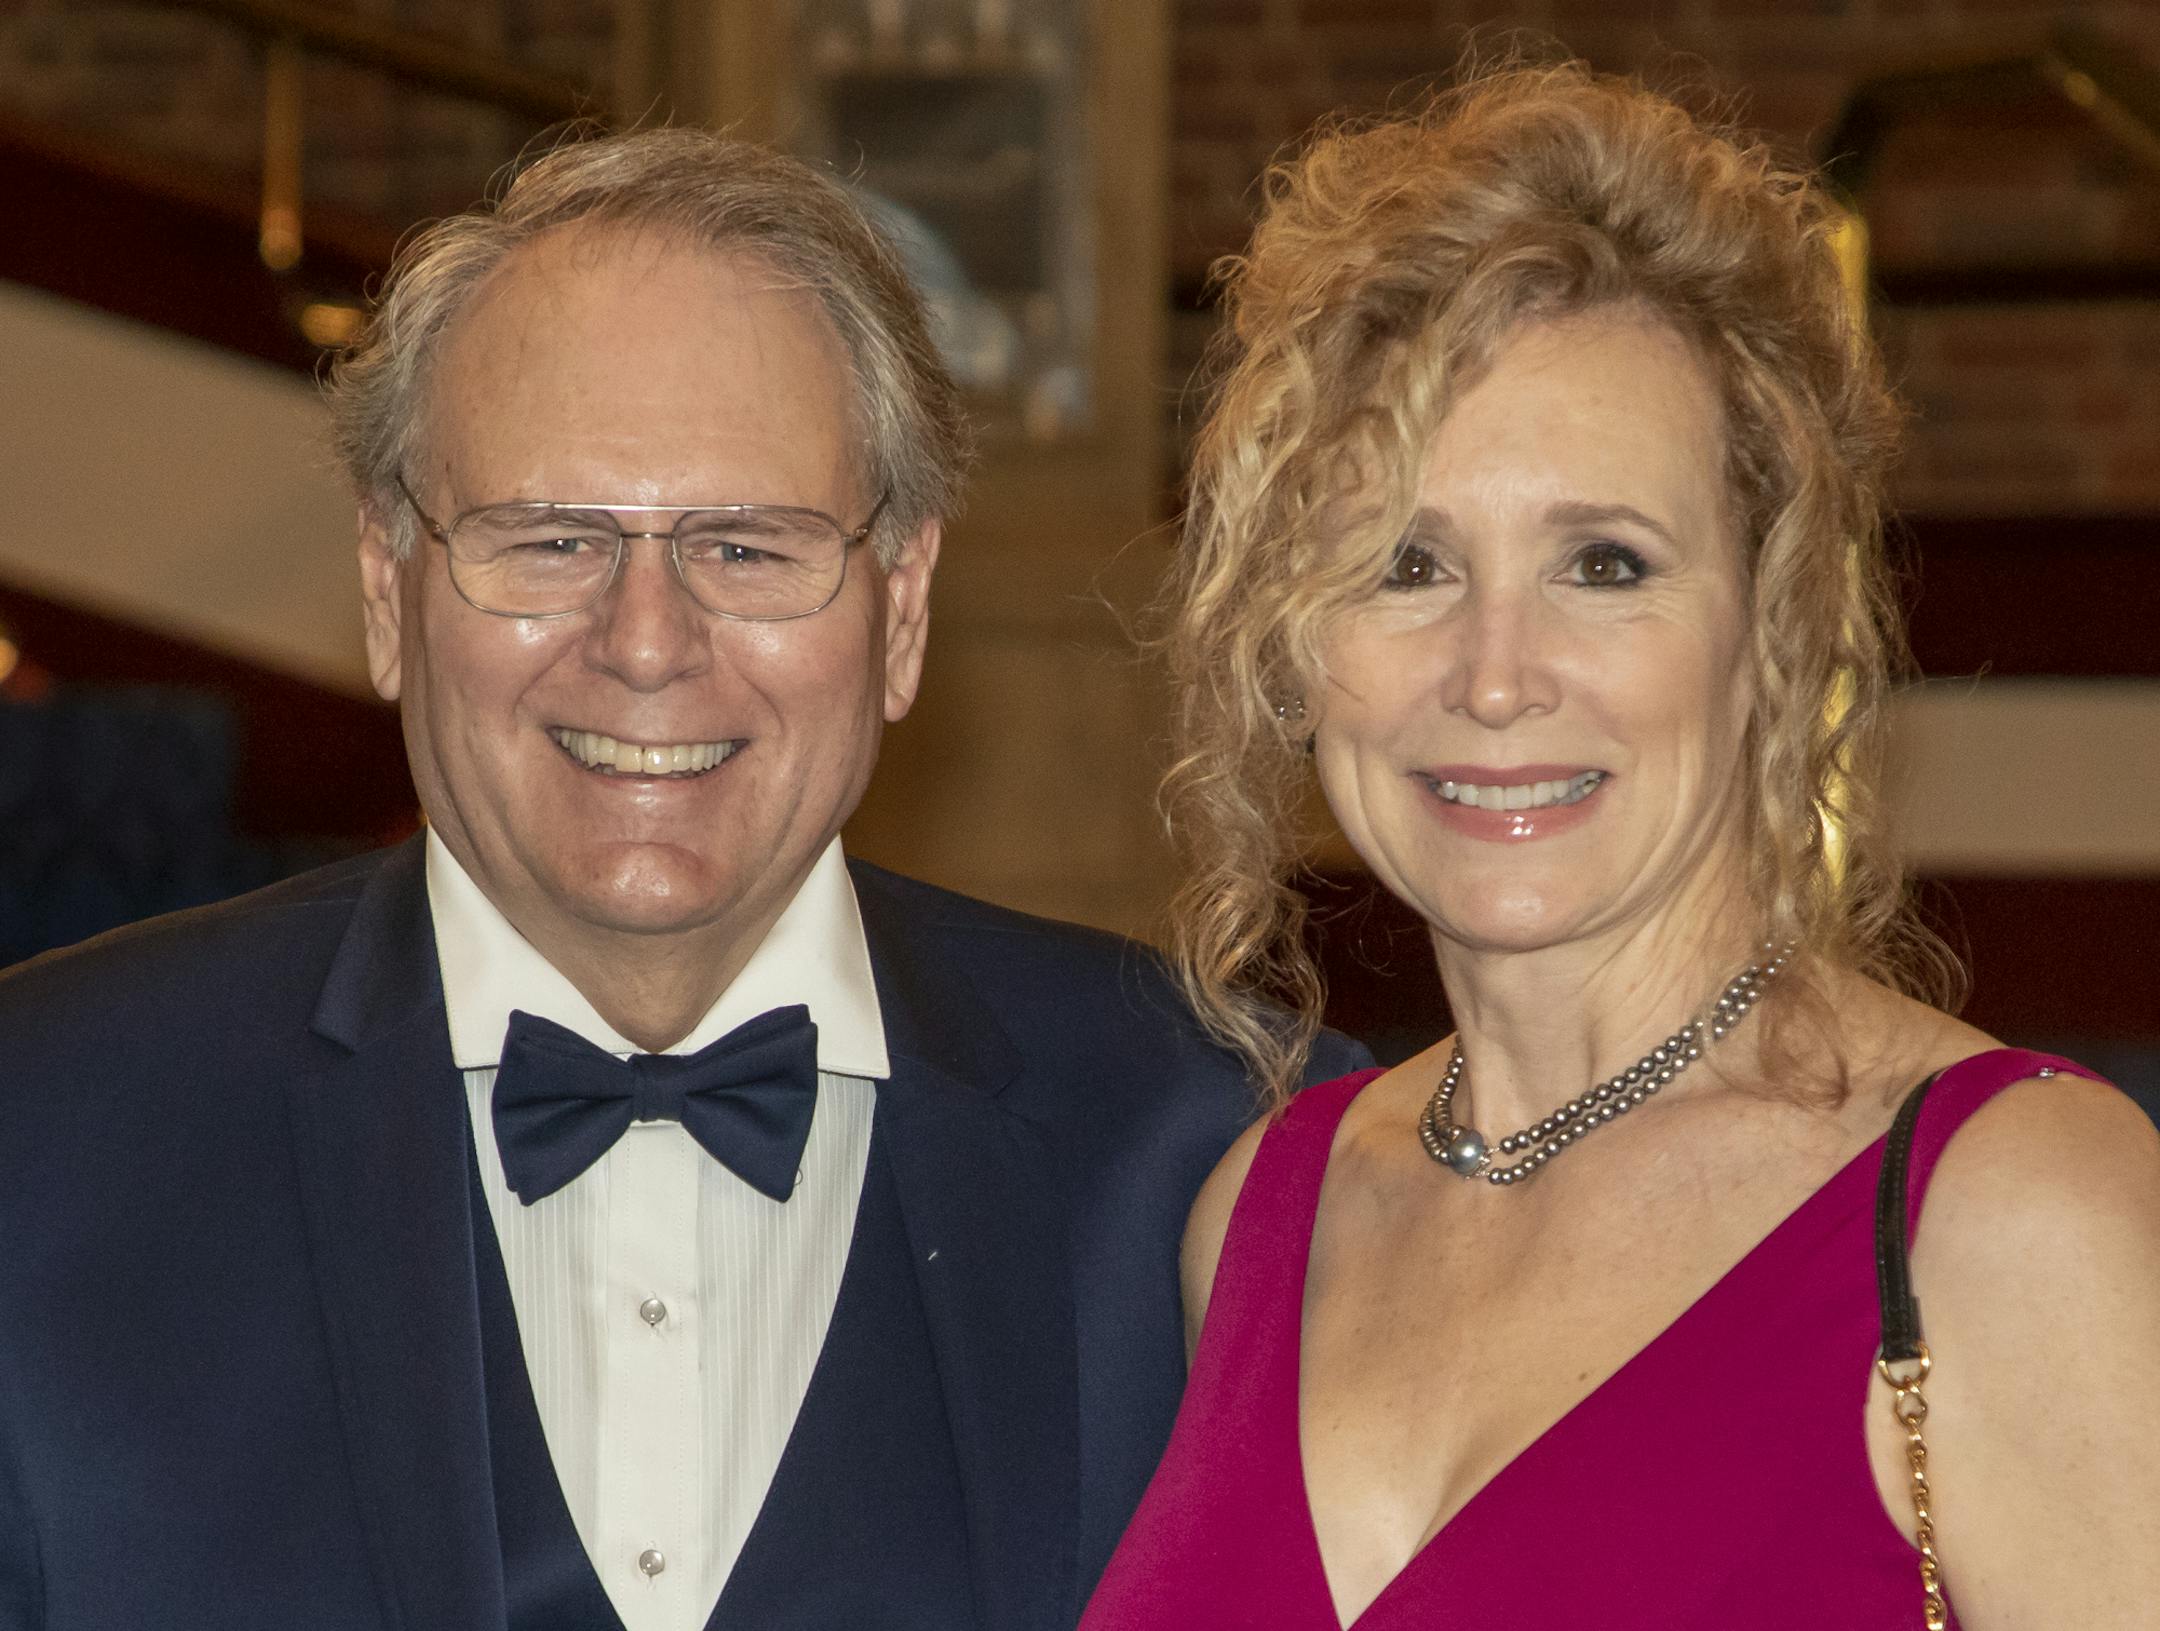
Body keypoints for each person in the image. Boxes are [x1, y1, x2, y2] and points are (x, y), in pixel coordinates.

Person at [0, 130, 1367, 1631]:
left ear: (900, 608)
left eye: (747, 546)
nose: (646, 642)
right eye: (550, 539)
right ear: (389, 591)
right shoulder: (41, 1134)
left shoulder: (1229, 1156)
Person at [1083, 60, 2160, 1631]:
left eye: (1604, 561)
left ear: (1770, 628)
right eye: (1405, 565)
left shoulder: (2012, 1212)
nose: (1497, 673)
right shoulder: (1261, 1216)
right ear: (1298, 645)